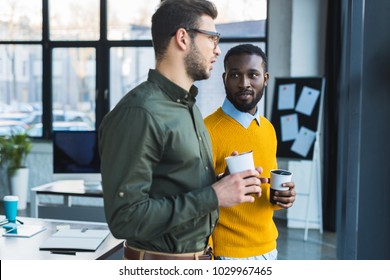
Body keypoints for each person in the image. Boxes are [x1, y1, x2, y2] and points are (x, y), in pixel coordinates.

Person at [98, 1, 262, 260]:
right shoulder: (139, 112)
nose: (217, 51)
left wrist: (223, 184)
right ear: (183, 38)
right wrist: (213, 195)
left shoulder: (189, 107)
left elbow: (174, 186)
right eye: (212, 38)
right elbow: (124, 219)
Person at [204, 44, 296, 260]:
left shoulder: (268, 129)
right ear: (224, 78)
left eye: (252, 74)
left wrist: (283, 197)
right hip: (226, 256)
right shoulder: (206, 130)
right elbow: (196, 198)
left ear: (265, 78)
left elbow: (265, 191)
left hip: (269, 250)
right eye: (235, 75)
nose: (244, 83)